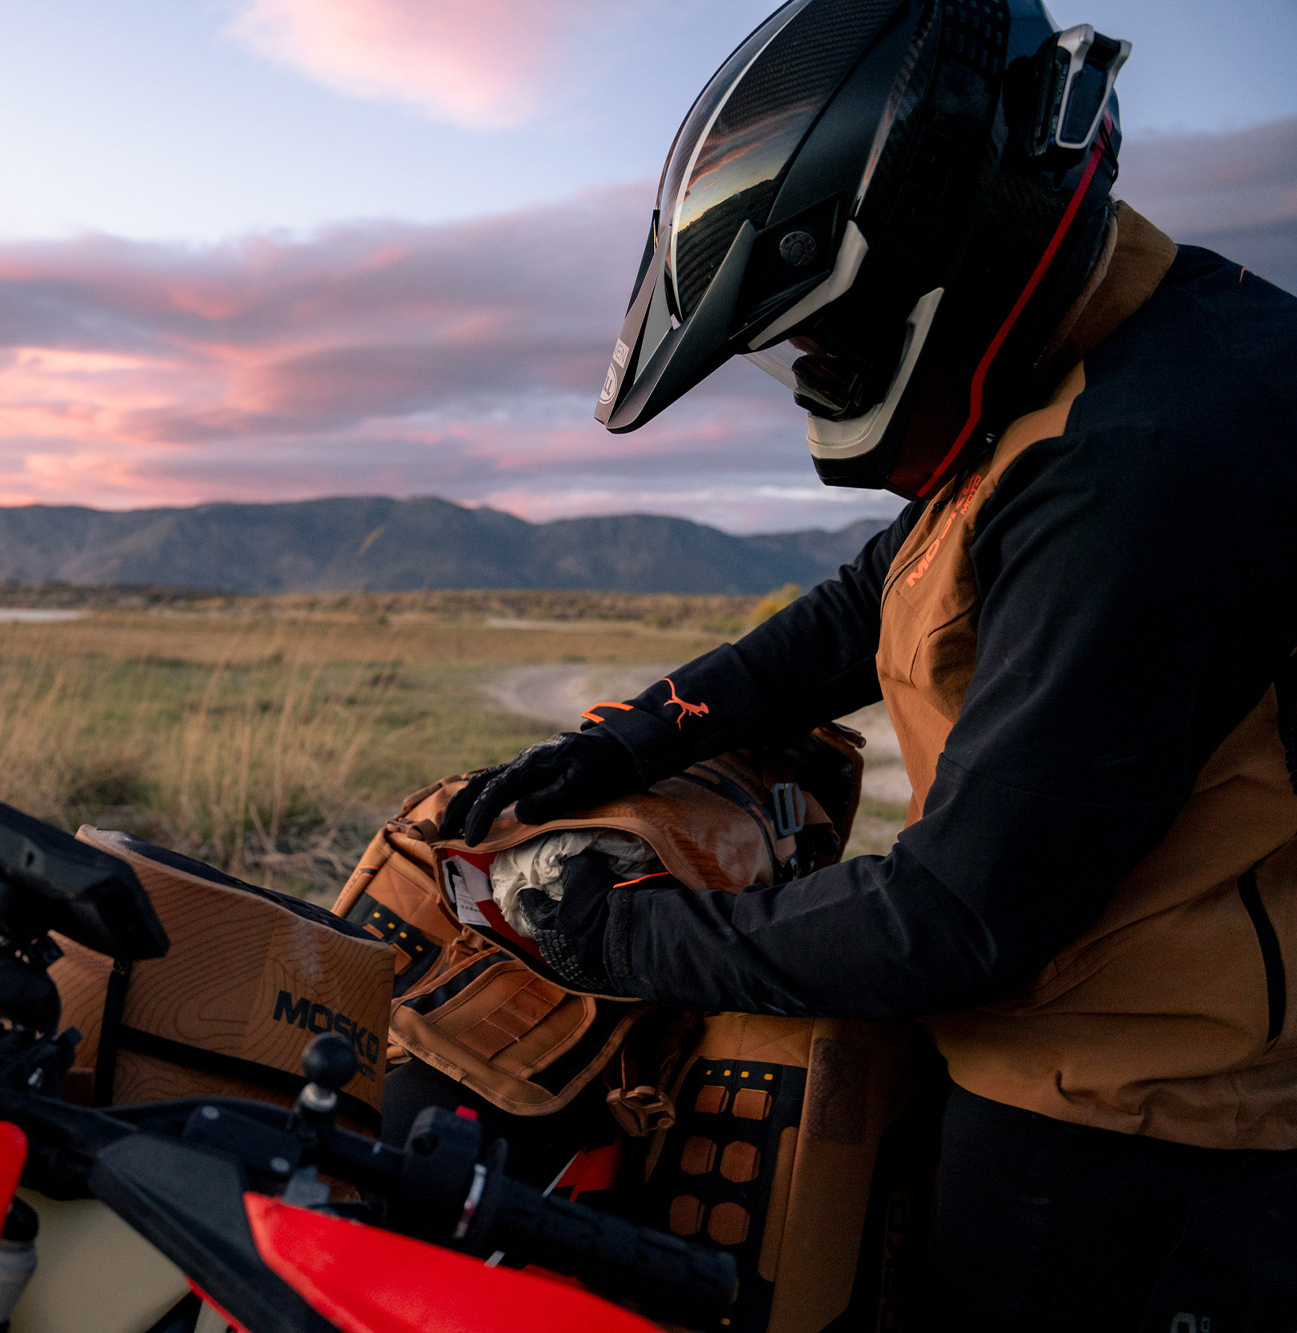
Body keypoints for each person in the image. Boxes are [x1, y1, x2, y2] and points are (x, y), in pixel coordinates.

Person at [438, 1, 1297, 1328]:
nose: (810, 377)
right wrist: (638, 735)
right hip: (1077, 1057)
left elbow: (954, 916)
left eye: (824, 339)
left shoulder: (1140, 474)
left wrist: (616, 932)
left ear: (940, 265)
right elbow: (871, 599)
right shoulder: (1087, 360)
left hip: (1145, 1118)